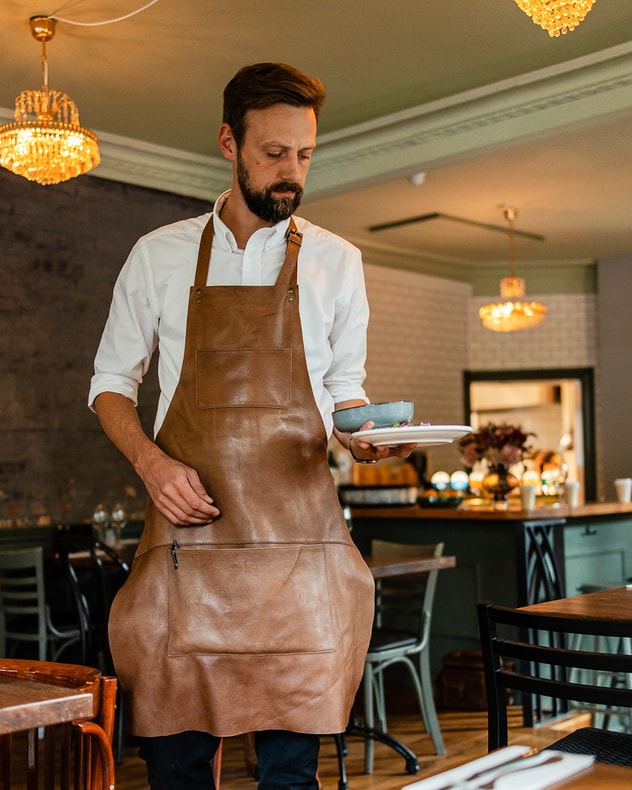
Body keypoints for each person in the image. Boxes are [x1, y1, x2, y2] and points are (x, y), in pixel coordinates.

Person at [89, 62, 415, 790]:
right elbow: (110, 385)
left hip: (299, 560)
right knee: (175, 771)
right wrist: (151, 464)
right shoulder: (159, 254)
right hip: (189, 547)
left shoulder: (338, 261)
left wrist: (362, 436)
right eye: (273, 153)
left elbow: (343, 393)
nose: (291, 172)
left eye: (305, 155)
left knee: (290, 778)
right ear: (228, 143)